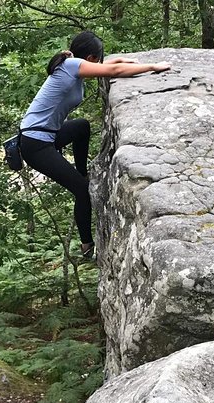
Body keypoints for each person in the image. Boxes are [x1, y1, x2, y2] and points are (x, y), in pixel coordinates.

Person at [19, 30, 171, 259]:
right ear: (90, 58)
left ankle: (82, 172)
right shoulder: (72, 65)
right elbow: (113, 71)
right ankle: (87, 245)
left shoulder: (70, 61)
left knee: (81, 126)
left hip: (46, 133)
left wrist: (121, 60)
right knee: (81, 190)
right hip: (35, 143)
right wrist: (152, 66)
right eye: (97, 59)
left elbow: (109, 65)